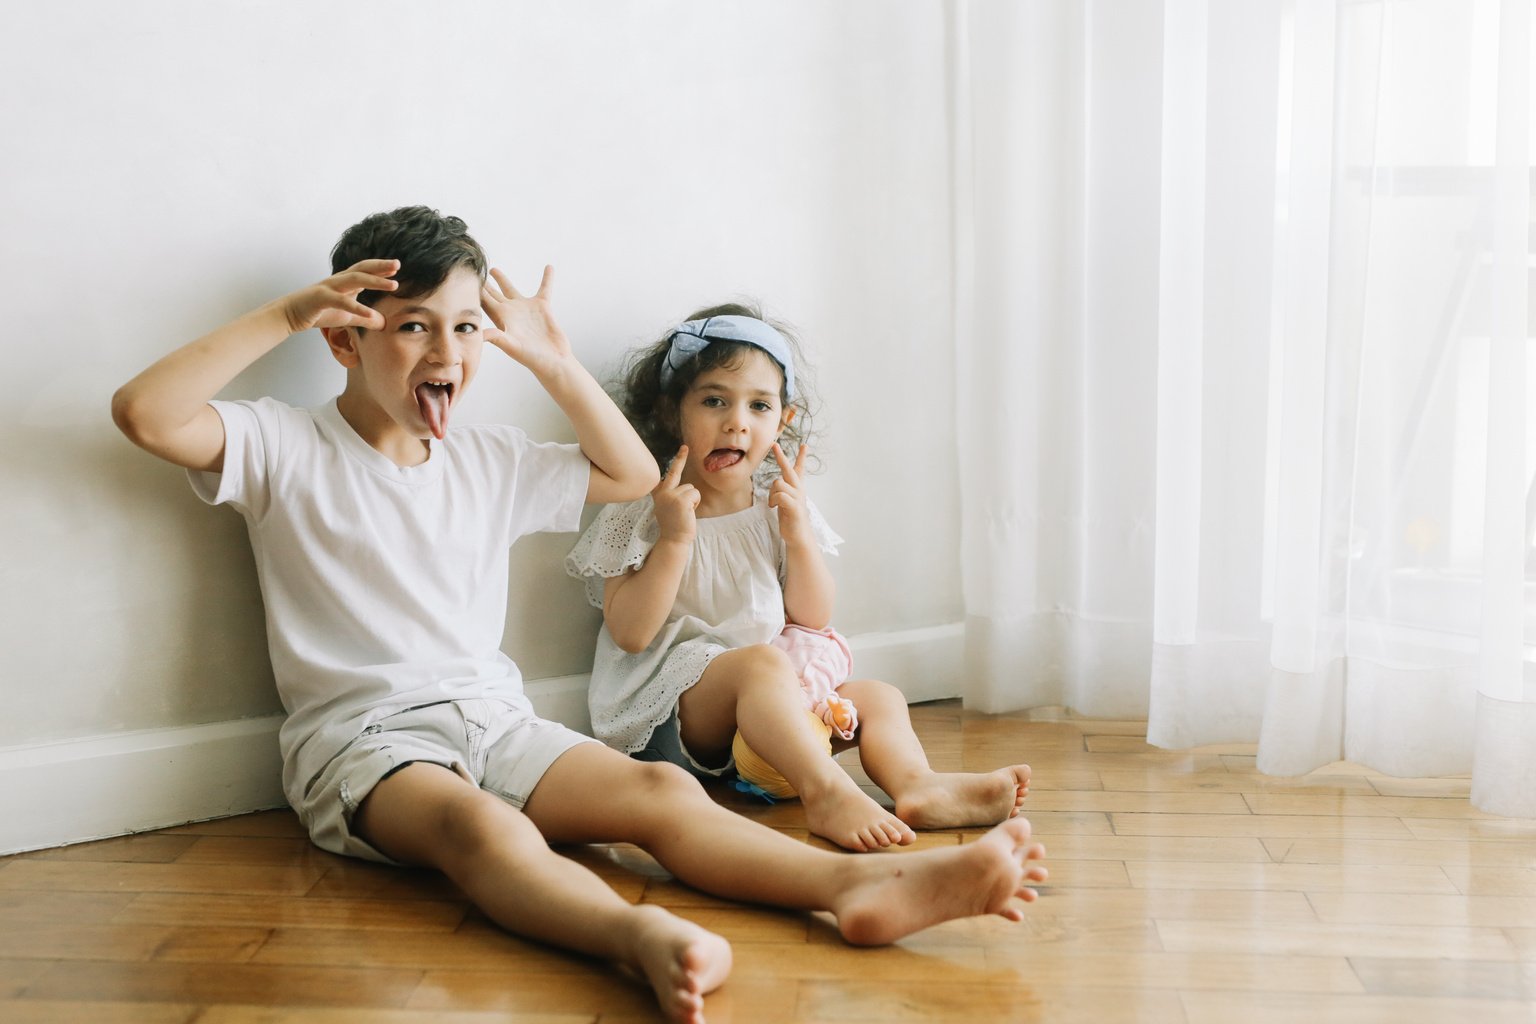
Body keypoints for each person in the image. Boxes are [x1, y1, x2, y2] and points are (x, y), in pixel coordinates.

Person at [111, 207, 1048, 1024]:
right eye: (413, 328)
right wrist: (286, 310)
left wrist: (553, 361)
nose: (447, 354)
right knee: (480, 832)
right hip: (365, 741)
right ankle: (634, 934)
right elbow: (146, 413)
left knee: (664, 796)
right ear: (346, 338)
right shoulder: (282, 442)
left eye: (468, 328)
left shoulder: (490, 459)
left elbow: (631, 475)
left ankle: (857, 891)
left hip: (496, 719)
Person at [567, 305, 1034, 853]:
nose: (737, 421)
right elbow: (631, 634)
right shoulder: (643, 511)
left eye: (758, 406)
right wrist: (674, 540)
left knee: (878, 695)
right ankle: (827, 793)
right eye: (715, 400)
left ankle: (916, 786)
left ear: (781, 424)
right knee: (763, 662)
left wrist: (799, 538)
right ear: (673, 413)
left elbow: (814, 617)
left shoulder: (778, 507)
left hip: (767, 708)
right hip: (675, 717)